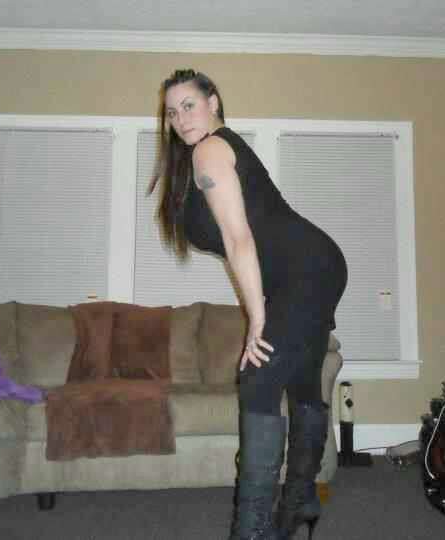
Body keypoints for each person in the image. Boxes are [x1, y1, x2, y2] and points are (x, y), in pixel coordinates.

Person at [150, 69, 348, 540]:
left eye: (189, 106)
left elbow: (240, 240)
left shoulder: (211, 149)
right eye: (172, 112)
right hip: (308, 268)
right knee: (302, 379)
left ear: (213, 102)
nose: (180, 119)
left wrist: (256, 320)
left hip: (307, 268)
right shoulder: (200, 157)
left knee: (258, 379)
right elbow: (244, 241)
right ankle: (299, 501)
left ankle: (252, 530)